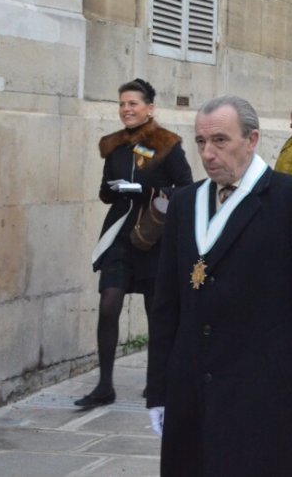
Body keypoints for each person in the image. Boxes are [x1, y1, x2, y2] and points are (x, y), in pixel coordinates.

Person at [146, 96, 292, 476]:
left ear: (252, 140)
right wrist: (160, 388)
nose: (208, 153)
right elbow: (167, 304)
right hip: (195, 389)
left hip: (267, 391)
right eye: (200, 142)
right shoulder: (185, 203)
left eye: (220, 141)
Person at [79, 78, 192, 408]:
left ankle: (156, 381)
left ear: (149, 108)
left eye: (133, 104)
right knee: (109, 303)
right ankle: (104, 385)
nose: (126, 109)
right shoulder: (113, 146)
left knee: (156, 311)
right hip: (119, 235)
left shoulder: (167, 144)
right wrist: (113, 190)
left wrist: (148, 193)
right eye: (122, 104)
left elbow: (185, 188)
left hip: (153, 236)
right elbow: (104, 192)